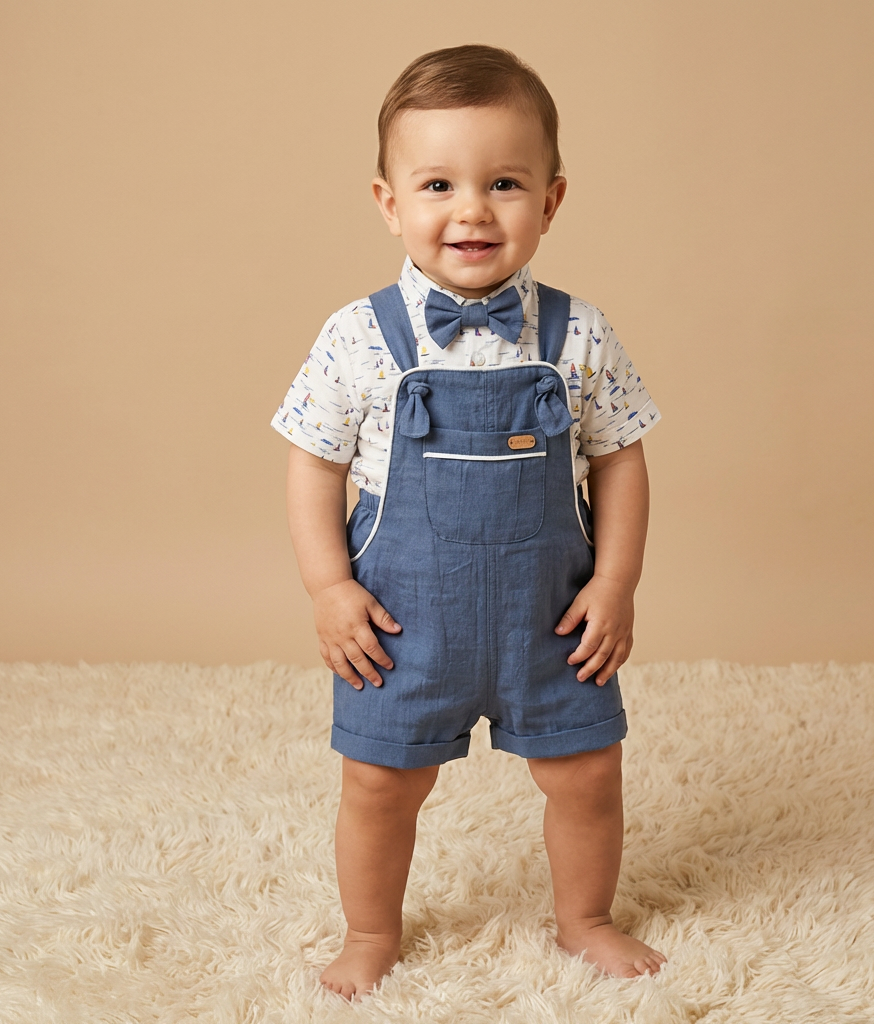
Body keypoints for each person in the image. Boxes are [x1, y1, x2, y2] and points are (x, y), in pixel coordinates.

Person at [272, 44, 664, 1001]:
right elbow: (311, 465)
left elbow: (620, 459)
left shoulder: (581, 333)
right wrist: (330, 588)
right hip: (406, 623)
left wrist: (614, 583)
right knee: (378, 784)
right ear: (389, 201)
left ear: (552, 200)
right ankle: (371, 930)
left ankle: (585, 917)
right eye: (439, 183)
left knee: (586, 774)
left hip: (549, 617)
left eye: (506, 183)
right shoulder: (356, 336)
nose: (473, 210)